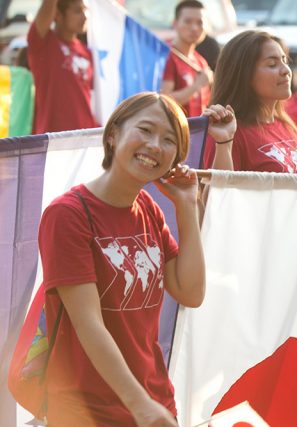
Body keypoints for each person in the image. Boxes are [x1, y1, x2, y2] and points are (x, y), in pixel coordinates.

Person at [38, 92, 206, 426]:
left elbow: (191, 292)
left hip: (154, 399)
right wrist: (139, 404)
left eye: (169, 140)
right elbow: (89, 323)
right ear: (113, 134)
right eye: (145, 130)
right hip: (89, 411)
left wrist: (187, 204)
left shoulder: (148, 208)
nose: (155, 145)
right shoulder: (68, 214)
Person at [203, 30, 297, 175]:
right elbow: (218, 195)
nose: (286, 70)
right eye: (272, 64)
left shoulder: (285, 123)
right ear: (244, 74)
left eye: (284, 61)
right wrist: (224, 142)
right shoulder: (226, 133)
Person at [28, 0, 98, 134]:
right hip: (53, 140)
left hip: (86, 138)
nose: (85, 16)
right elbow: (48, 5)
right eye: (78, 11)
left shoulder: (87, 52)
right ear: (58, 15)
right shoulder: (42, 44)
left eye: (86, 10)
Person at [161, 0, 213, 118]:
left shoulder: (201, 61)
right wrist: (197, 85)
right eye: (188, 21)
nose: (194, 28)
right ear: (175, 23)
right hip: (176, 132)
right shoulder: (168, 56)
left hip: (198, 133)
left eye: (200, 22)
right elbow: (163, 100)